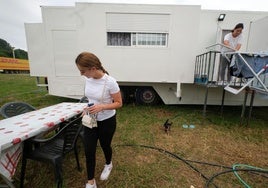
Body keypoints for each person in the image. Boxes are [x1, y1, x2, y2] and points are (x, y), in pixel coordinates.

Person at [75, 52, 123, 188]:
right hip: (91, 120)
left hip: (107, 121)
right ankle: (91, 181)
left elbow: (119, 103)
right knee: (89, 149)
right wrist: (87, 108)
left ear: (93, 68)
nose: (81, 74)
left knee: (105, 145)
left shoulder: (110, 82)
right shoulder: (88, 79)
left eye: (82, 71)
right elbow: (91, 99)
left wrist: (102, 107)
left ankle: (108, 164)